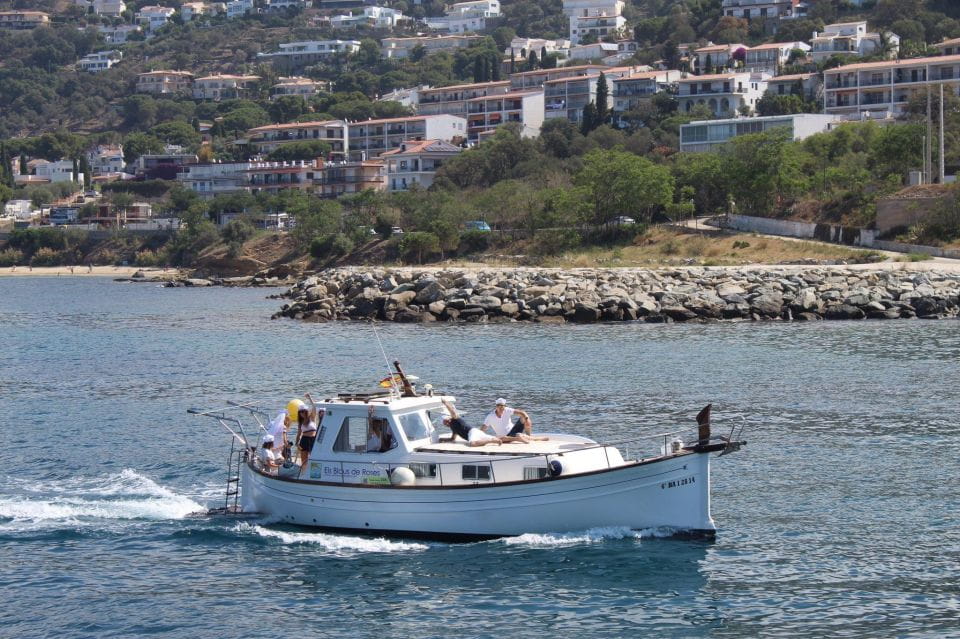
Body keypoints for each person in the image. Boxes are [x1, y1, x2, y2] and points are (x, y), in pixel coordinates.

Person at [296, 393, 321, 474]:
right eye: (300, 412)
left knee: (314, 457)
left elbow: (314, 407)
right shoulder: (300, 422)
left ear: (306, 411)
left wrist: (310, 398)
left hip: (313, 439)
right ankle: (304, 473)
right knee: (304, 458)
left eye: (303, 411)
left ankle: (314, 473)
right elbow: (299, 433)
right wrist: (297, 443)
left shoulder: (312, 417)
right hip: (304, 440)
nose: (301, 413)